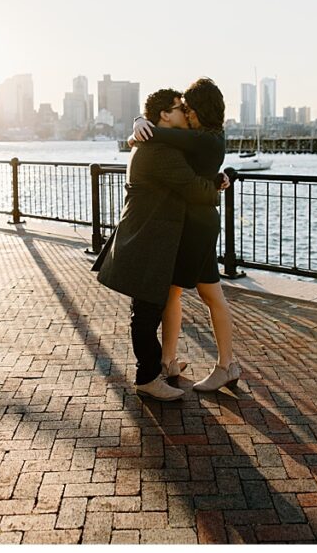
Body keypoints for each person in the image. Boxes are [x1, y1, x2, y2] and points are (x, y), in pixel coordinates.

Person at [93, 88, 226, 401]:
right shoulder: (158, 151)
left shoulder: (152, 142)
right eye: (180, 107)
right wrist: (216, 189)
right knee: (146, 313)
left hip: (149, 236)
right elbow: (191, 187)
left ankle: (157, 367)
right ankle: (148, 377)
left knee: (149, 308)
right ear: (165, 115)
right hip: (148, 240)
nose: (185, 112)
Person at [131, 77, 241, 392]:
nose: (187, 113)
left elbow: (154, 135)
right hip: (191, 221)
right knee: (173, 291)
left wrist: (139, 124)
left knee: (210, 294)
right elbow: (158, 137)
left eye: (189, 108)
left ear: (200, 110)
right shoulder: (209, 135)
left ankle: (227, 365)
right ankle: (168, 361)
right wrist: (140, 124)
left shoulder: (205, 140)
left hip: (199, 225)